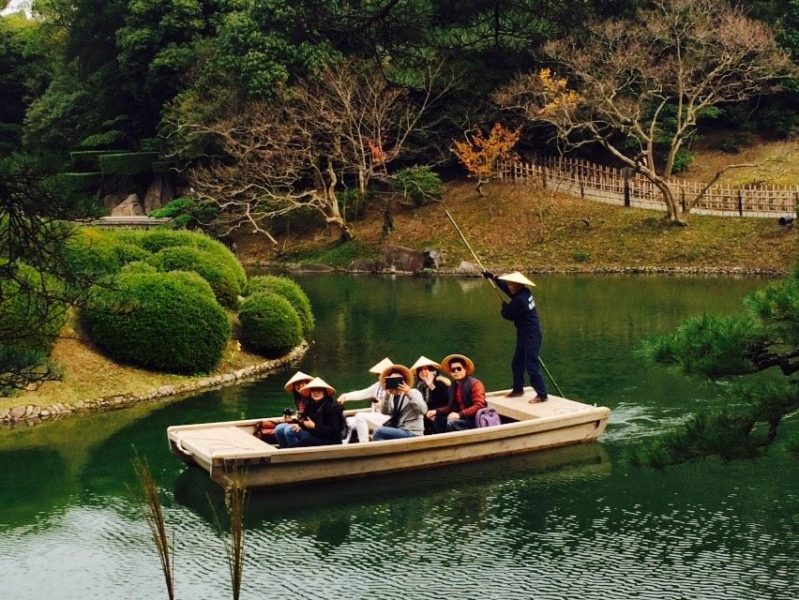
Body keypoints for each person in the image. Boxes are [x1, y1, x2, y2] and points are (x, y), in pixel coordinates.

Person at [482, 270, 548, 403]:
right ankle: (518, 389)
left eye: (512, 285)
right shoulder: (524, 292)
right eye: (509, 284)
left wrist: (504, 307)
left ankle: (542, 394)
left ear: (519, 285)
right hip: (524, 332)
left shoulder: (520, 300)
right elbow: (507, 290)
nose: (510, 287)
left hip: (531, 334)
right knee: (517, 362)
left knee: (531, 365)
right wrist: (494, 277)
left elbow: (507, 315)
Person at [274, 377, 345, 448]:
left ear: (324, 392)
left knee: (292, 433)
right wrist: (295, 422)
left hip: (329, 439)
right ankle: (285, 450)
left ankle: (292, 452)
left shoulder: (333, 408)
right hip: (315, 433)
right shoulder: (311, 405)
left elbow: (334, 432)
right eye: (313, 390)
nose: (315, 392)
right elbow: (306, 422)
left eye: (319, 390)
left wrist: (314, 426)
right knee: (279, 429)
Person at [338, 357, 393, 443]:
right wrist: (345, 396)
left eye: (382, 375)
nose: (380, 377)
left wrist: (383, 404)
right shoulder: (377, 386)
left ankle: (364, 445)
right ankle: (343, 446)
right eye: (378, 375)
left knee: (360, 416)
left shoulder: (396, 388)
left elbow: (398, 408)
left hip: (388, 420)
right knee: (347, 422)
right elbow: (362, 393)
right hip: (374, 417)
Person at [254, 370, 313, 443]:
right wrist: (290, 420)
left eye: (302, 383)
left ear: (307, 384)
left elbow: (311, 421)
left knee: (285, 430)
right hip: (302, 425)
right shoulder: (299, 399)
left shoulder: (312, 399)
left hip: (309, 429)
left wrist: (301, 425)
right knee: (275, 427)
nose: (300, 386)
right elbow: (301, 417)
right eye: (297, 384)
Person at [372, 365, 427, 441]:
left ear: (403, 381)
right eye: (392, 380)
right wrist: (387, 396)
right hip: (399, 430)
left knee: (378, 432)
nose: (395, 383)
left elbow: (423, 410)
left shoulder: (414, 392)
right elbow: (385, 412)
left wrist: (409, 393)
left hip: (412, 432)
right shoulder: (391, 396)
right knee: (378, 431)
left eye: (397, 380)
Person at [437, 354, 487, 431]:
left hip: (476, 420)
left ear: (465, 369)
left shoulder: (475, 384)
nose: (456, 371)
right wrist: (436, 411)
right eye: (453, 370)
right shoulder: (453, 387)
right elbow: (451, 407)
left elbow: (479, 405)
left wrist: (459, 414)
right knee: (438, 420)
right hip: (462, 419)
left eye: (459, 369)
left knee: (452, 423)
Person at [410, 356, 450, 434]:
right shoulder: (419, 386)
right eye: (420, 370)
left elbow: (443, 402)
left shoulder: (441, 383)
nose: (423, 372)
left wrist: (431, 385)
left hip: (441, 414)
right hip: (425, 415)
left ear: (433, 371)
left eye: (426, 369)